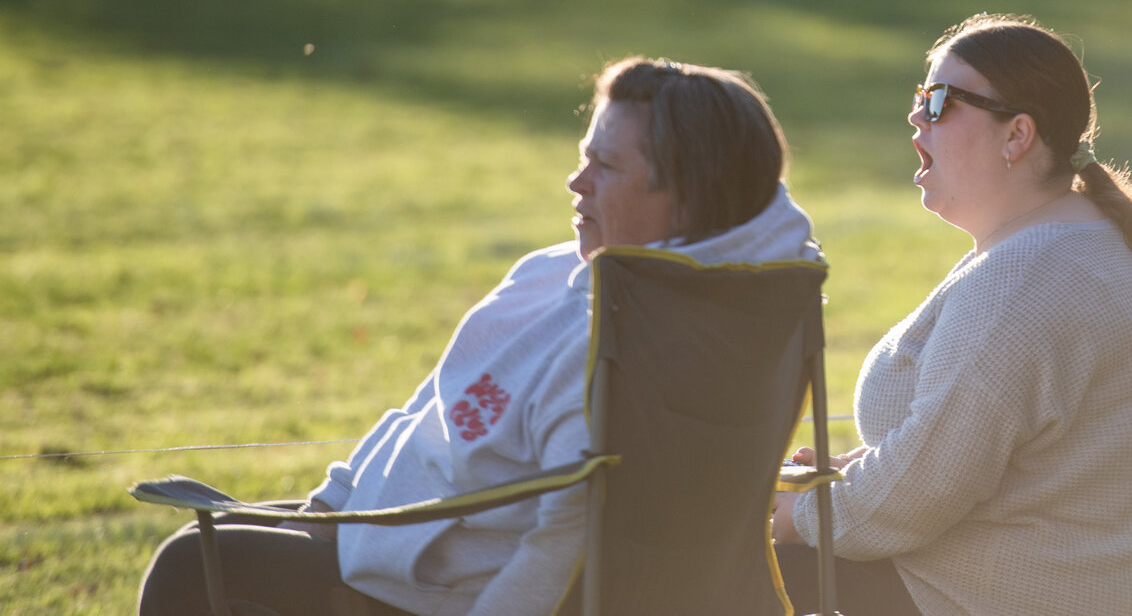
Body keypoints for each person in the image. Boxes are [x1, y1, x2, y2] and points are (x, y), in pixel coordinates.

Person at [138, 58, 817, 616]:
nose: (575, 182)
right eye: (584, 157)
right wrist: (328, 505)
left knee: (192, 565)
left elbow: (563, 535)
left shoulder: (633, 346)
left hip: (438, 588)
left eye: (607, 167)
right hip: (384, 532)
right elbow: (426, 408)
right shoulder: (553, 270)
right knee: (221, 540)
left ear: (689, 199)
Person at [771, 14, 1132, 616]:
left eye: (939, 101)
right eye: (919, 96)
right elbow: (1011, 453)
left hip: (988, 600)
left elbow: (918, 496)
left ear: (1016, 136)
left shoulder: (1025, 279)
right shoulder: (1071, 242)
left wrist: (781, 517)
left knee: (716, 564)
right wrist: (852, 469)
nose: (916, 116)